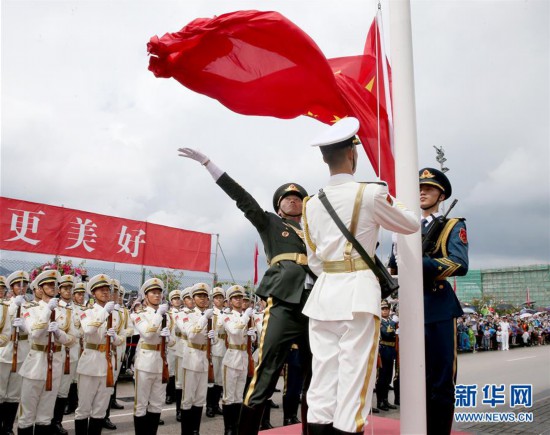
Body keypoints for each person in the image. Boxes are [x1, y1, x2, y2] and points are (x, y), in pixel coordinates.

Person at [178, 147, 314, 435]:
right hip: (283, 306)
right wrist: (209, 164)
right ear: (279, 206)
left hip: (314, 306)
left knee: (316, 377)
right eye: (288, 197)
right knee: (265, 373)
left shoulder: (315, 232)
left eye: (299, 198)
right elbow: (242, 199)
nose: (294, 200)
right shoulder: (271, 223)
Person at [302, 117, 419, 435]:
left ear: (325, 158)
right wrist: (394, 196)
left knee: (323, 377)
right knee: (354, 381)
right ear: (353, 155)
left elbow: (315, 261)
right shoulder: (370, 194)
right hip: (358, 296)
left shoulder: (310, 205)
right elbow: (411, 223)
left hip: (324, 295)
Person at [419, 167, 469, 434]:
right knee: (416, 379)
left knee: (441, 380)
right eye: (419, 187)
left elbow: (460, 264)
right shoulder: (407, 226)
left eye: (429, 188)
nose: (422, 192)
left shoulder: (452, 224)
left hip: (437, 305)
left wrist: (422, 262)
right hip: (412, 306)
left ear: (441, 194)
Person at [18, 270, 77, 435]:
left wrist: (59, 333)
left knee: (45, 416)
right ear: (40, 288)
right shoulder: (29, 308)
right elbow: (34, 333)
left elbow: (73, 339)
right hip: (35, 365)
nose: (52, 287)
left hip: (56, 364)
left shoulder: (65, 311)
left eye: (54, 284)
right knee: (27, 416)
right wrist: (47, 311)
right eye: (48, 284)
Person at [74, 274, 123, 435]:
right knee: (83, 408)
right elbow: (88, 329)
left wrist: (116, 338)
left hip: (108, 364)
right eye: (100, 290)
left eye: (107, 289)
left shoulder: (116, 314)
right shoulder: (85, 311)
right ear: (93, 293)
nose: (105, 292)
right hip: (90, 362)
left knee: (100, 410)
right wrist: (104, 313)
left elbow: (121, 339)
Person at [131, 278, 173, 435]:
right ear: (145, 296)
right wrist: (158, 315)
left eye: (159, 293)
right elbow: (148, 334)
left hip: (161, 363)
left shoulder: (167, 315)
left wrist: (168, 337)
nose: (157, 296)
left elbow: (174, 341)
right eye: (153, 293)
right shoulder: (139, 314)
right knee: (141, 404)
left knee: (156, 404)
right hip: (145, 363)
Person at [178, 282, 215, 435]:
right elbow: (191, 334)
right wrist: (204, 319)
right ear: (193, 298)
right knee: (188, 399)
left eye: (205, 296)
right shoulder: (184, 315)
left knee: (200, 398)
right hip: (191, 358)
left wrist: (212, 339)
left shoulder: (211, 316)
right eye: (199, 296)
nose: (203, 299)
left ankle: (195, 431)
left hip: (204, 358)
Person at [219, 285, 256, 435]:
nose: (239, 300)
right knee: (229, 397)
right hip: (232, 357)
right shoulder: (227, 315)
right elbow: (234, 331)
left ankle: (236, 426)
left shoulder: (246, 316)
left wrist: (252, 333)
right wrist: (246, 317)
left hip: (243, 358)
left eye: (241, 297)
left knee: (239, 396)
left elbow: (252, 339)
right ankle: (228, 429)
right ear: (229, 301)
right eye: (235, 298)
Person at [0, 271, 32, 435]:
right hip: (4, 355)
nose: (22, 288)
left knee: (13, 395)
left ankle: (7, 428)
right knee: (0, 393)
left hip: (22, 354)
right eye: (19, 285)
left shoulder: (30, 307)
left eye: (25, 285)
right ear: (11, 288)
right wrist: (14, 307)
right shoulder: (5, 306)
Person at [207, 286, 226, 418]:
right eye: (217, 298)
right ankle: (209, 406)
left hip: (225, 348)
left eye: (221, 298)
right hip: (214, 348)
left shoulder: (227, 313)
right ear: (213, 300)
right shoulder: (210, 314)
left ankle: (215, 405)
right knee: (212, 380)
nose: (219, 300)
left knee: (220, 380)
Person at [376, 300, 398, 411]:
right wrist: (392, 332)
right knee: (382, 378)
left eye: (386, 309)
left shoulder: (391, 321)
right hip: (383, 351)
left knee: (388, 377)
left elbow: (393, 333)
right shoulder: (379, 322)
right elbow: (386, 333)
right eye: (383, 309)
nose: (385, 311)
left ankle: (385, 400)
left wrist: (392, 332)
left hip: (390, 352)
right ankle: (380, 401)